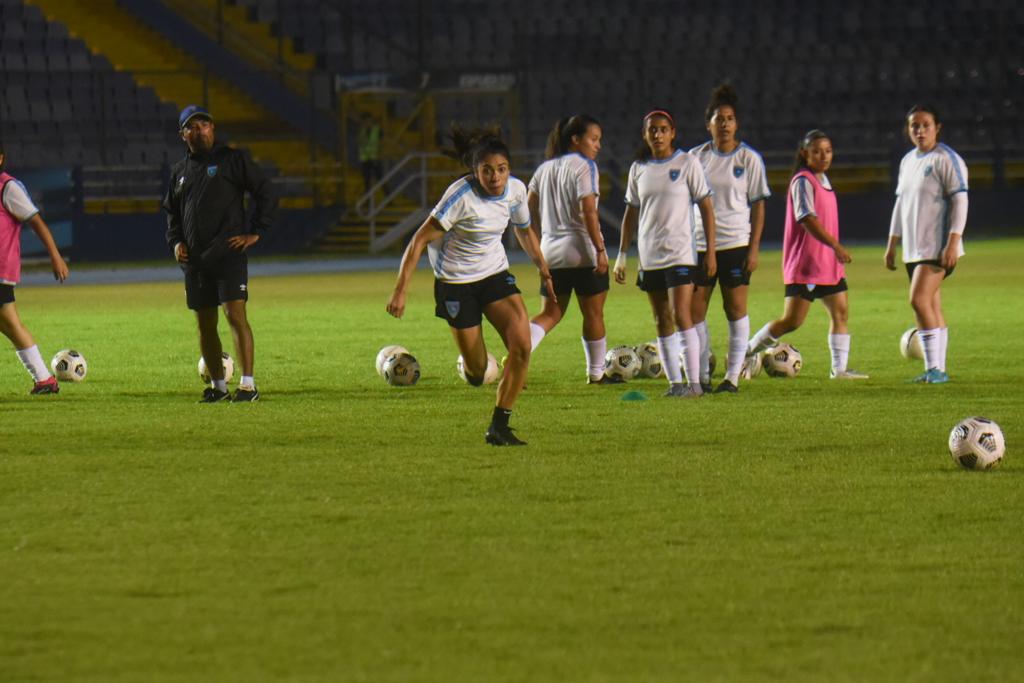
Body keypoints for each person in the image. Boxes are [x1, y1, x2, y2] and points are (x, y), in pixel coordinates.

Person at [386, 124, 554, 446]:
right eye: (487, 170)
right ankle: (474, 360)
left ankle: (499, 427)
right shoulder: (460, 196)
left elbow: (523, 228)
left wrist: (542, 267)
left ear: (509, 170)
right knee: (478, 376)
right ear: (475, 171)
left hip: (494, 275)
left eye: (502, 169)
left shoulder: (516, 191)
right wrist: (400, 289)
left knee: (521, 346)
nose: (495, 177)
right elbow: (419, 239)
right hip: (457, 283)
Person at [162, 105, 277, 403]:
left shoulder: (232, 160)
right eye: (193, 126)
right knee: (204, 324)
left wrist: (256, 231)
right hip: (196, 262)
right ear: (182, 134)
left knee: (234, 315)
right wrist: (176, 242)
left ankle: (248, 385)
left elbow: (265, 191)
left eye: (205, 125)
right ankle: (218, 386)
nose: (200, 130)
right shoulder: (179, 172)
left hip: (229, 254)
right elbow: (172, 216)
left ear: (213, 129)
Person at [746, 130, 868, 379]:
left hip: (827, 264)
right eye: (817, 151)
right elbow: (807, 219)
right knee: (792, 320)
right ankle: (745, 353)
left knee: (841, 312)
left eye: (828, 151)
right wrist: (835, 245)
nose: (823, 156)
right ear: (804, 153)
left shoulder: (823, 179)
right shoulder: (802, 181)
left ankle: (839, 370)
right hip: (807, 264)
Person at [613, 109, 716, 398]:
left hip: (681, 253)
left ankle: (694, 384)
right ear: (645, 135)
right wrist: (622, 255)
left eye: (662, 129)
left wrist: (709, 252)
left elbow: (706, 208)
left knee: (680, 314)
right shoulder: (639, 168)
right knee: (661, 320)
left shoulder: (687, 162)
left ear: (673, 133)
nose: (657, 134)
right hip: (650, 256)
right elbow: (631, 213)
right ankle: (675, 384)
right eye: (652, 130)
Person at [688, 84, 770, 393]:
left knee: (735, 309)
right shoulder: (696, 158)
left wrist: (754, 248)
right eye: (718, 118)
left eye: (730, 118)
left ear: (737, 123)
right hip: (698, 244)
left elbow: (759, 205)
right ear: (708, 123)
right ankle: (704, 367)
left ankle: (732, 377)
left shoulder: (749, 159)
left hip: (735, 244)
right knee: (695, 312)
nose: (724, 124)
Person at [526, 114, 616, 384]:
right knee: (593, 314)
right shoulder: (585, 167)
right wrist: (600, 250)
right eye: (594, 139)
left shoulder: (543, 169)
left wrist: (542, 239)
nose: (598, 145)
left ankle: (519, 353)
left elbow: (527, 210)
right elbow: (588, 210)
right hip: (583, 252)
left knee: (551, 313)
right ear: (576, 140)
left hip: (551, 253)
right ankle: (596, 374)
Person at [884, 104, 967, 384]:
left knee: (918, 300)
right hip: (913, 248)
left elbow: (960, 200)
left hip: (937, 246)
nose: (919, 130)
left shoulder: (947, 159)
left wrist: (953, 241)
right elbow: (900, 203)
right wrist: (892, 242)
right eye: (914, 126)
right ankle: (937, 369)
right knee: (931, 305)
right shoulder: (908, 161)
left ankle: (935, 370)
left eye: (925, 125)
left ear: (937, 127)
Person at [0, 141, 69, 394]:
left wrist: (55, 255)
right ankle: (44, 380)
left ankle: (44, 380)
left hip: (0, 270)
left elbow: (36, 221)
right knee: (10, 325)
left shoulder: (8, 187)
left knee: (11, 324)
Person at [358, 114, 383, 196]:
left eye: (369, 121)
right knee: (367, 182)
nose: (368, 123)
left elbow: (381, 143)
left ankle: (389, 199)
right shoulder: (362, 131)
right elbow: (361, 145)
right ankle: (367, 200)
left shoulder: (377, 130)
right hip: (365, 160)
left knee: (381, 179)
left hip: (374, 159)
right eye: (366, 121)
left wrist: (379, 156)